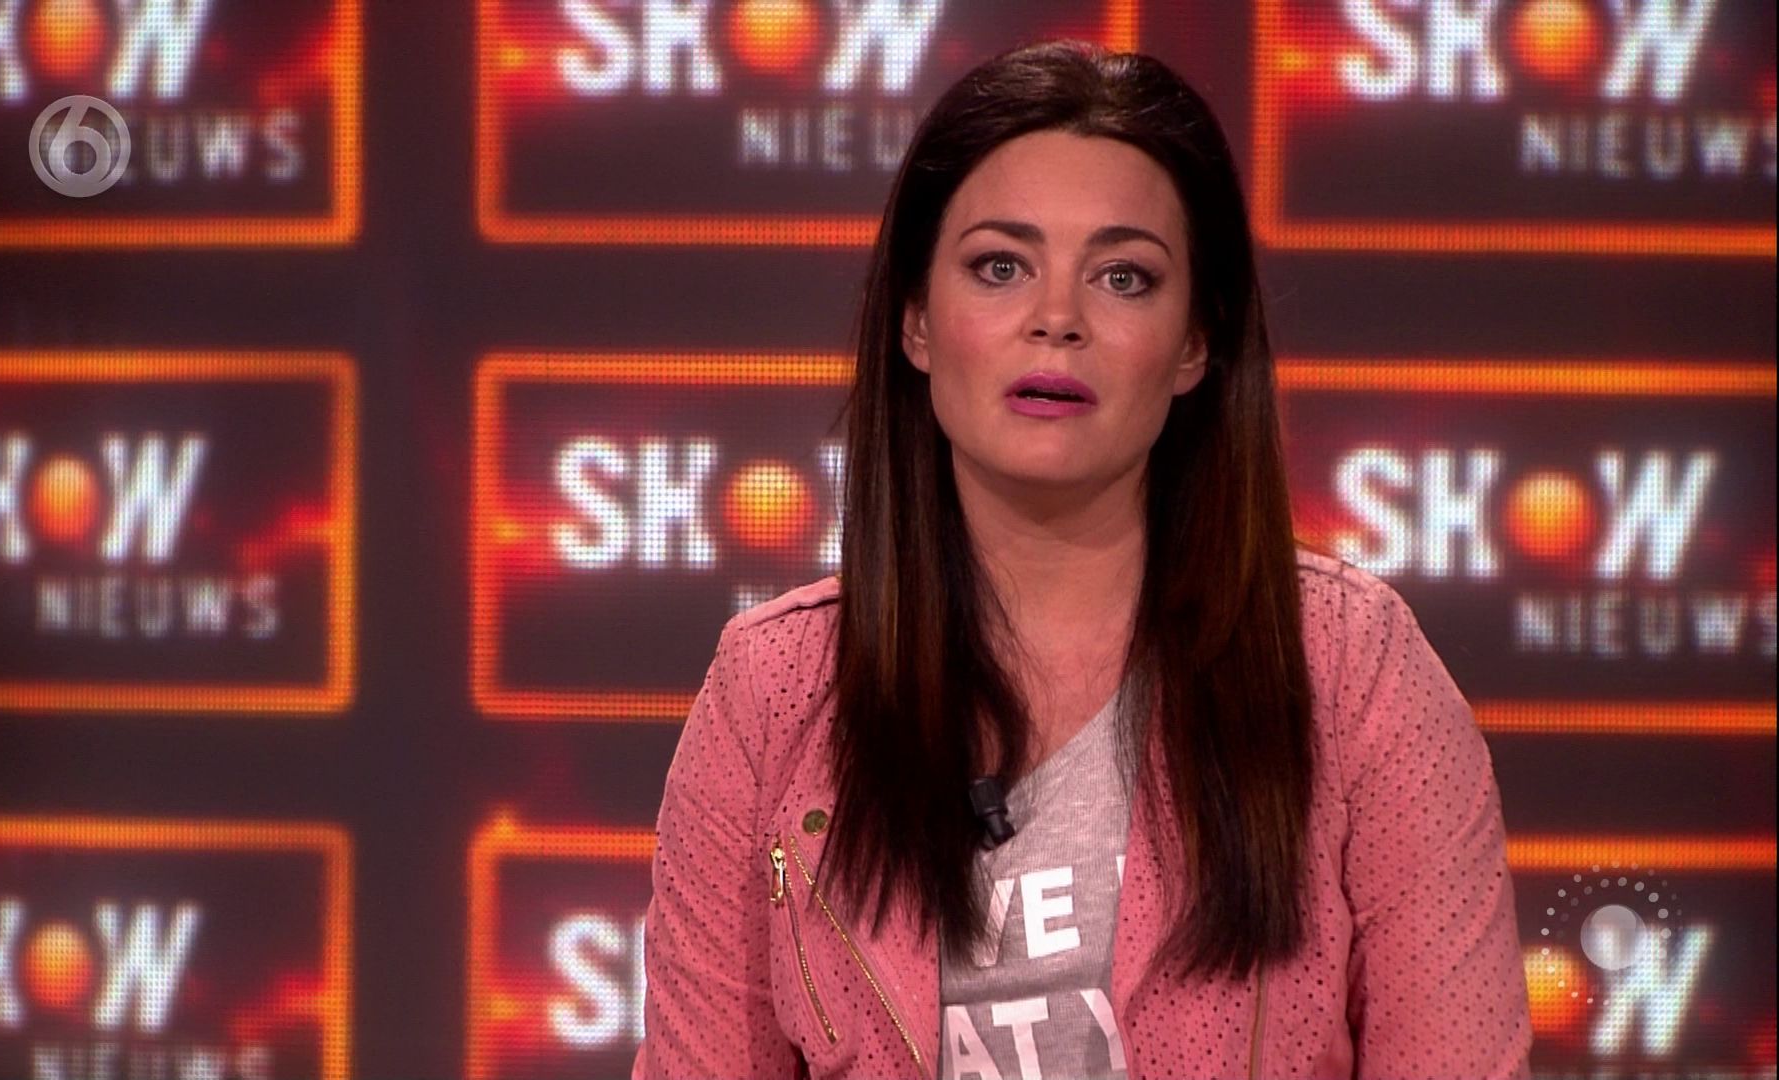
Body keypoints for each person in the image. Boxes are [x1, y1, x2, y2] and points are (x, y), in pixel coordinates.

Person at [632, 40, 1532, 1080]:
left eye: (1123, 277)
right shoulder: (774, 693)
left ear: (1194, 344)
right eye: (1000, 267)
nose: (1056, 320)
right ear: (917, 322)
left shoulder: (1350, 669)